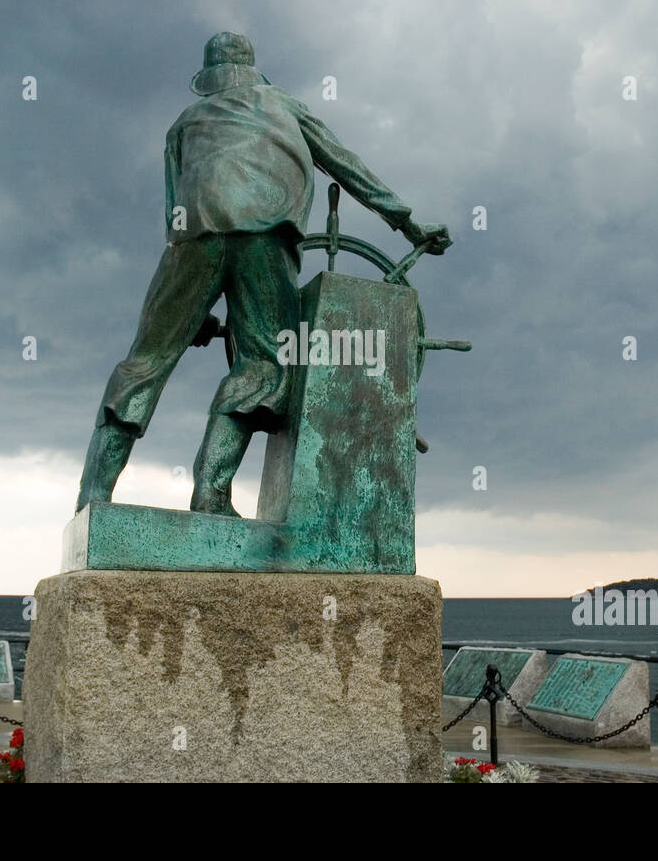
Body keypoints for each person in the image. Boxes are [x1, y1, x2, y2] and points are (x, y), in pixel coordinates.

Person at [76, 31, 450, 515]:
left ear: (209, 79)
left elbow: (174, 216)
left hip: (192, 242)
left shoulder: (183, 124)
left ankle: (92, 497)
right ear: (253, 72)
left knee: (144, 362)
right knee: (263, 366)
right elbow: (348, 167)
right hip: (266, 239)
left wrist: (190, 312)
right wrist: (408, 222)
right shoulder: (285, 106)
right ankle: (210, 496)